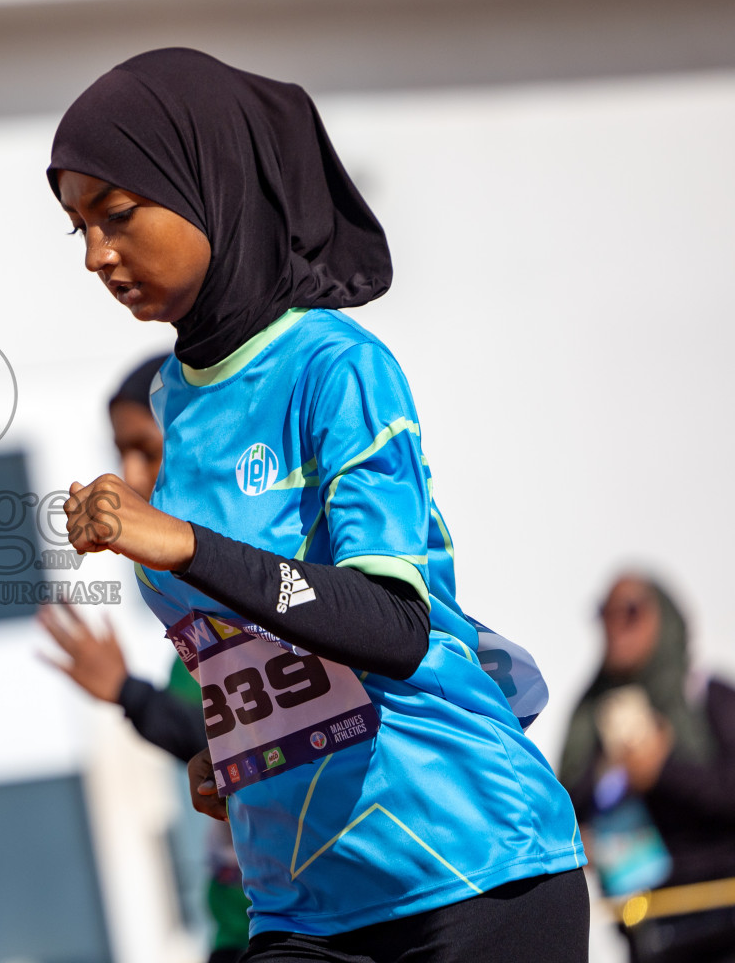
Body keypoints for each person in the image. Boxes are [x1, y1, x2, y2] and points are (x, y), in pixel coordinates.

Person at [47, 47, 588, 962]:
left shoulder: (336, 368)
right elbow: (262, 650)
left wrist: (182, 544)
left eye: (119, 215)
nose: (99, 256)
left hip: (472, 866)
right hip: (301, 900)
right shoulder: (175, 402)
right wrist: (247, 746)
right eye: (79, 230)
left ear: (206, 182)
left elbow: (391, 626)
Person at [38, 353, 251, 962]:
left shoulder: (270, 573)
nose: (130, 478)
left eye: (147, 450)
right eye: (119, 453)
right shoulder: (183, 601)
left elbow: (247, 733)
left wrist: (128, 694)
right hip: (247, 928)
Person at [559, 573, 735, 963]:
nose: (616, 625)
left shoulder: (707, 697)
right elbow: (566, 803)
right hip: (648, 934)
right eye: (605, 613)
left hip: (724, 924)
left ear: (666, 618)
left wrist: (664, 771)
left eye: (632, 611)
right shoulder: (589, 716)